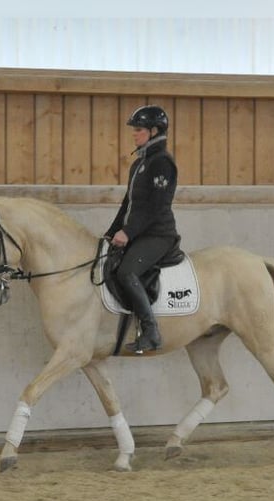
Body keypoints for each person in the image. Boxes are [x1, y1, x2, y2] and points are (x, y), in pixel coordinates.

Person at [105, 104, 180, 354]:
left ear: (154, 130)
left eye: (138, 130)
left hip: (159, 234)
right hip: (140, 233)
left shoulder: (162, 163)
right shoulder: (139, 164)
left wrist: (128, 233)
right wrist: (111, 231)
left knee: (127, 272)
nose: (134, 134)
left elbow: (155, 207)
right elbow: (128, 204)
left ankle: (151, 331)